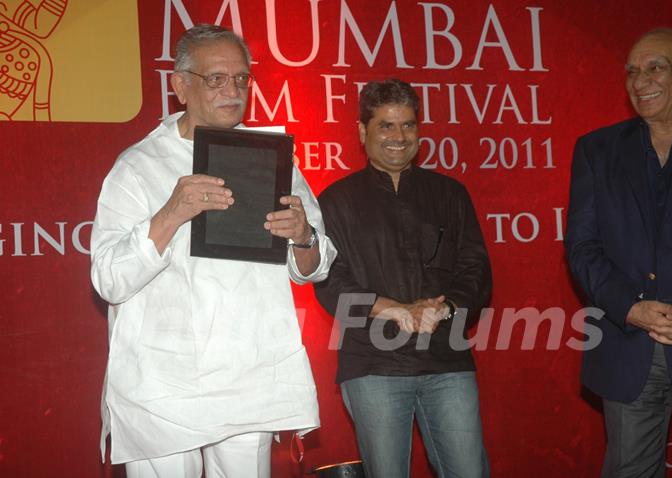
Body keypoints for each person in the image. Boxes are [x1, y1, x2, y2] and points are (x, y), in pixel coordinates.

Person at [90, 24, 336, 478]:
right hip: (162, 384)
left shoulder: (272, 157)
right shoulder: (138, 166)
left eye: (241, 79)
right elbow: (108, 279)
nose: (233, 90)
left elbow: (316, 266)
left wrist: (303, 236)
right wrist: (170, 214)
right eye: (216, 79)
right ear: (179, 85)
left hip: (248, 373)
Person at [314, 79, 492, 478]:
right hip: (374, 366)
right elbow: (329, 282)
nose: (399, 137)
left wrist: (444, 308)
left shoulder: (450, 193)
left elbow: (476, 271)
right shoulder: (334, 201)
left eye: (408, 125)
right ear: (363, 132)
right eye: (386, 126)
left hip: (447, 361)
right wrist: (389, 308)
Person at [565, 28, 672, 477]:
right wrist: (630, 308)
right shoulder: (596, 149)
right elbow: (582, 247)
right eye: (632, 71)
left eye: (656, 67)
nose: (640, 81)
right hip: (628, 345)